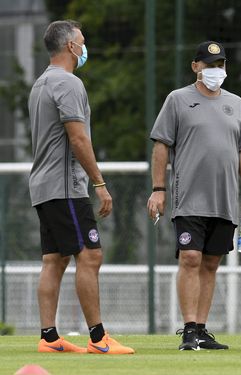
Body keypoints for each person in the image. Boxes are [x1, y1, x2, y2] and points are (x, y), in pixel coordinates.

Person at [28, 20, 134, 354]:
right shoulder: (69, 83)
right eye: (82, 42)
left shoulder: (40, 83)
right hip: (64, 187)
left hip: (42, 186)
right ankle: (98, 338)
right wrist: (99, 183)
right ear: (71, 46)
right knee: (90, 255)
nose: (85, 48)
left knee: (54, 259)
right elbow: (78, 137)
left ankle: (49, 338)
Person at [147, 40, 241, 351]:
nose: (215, 70)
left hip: (224, 200)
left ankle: (202, 329)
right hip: (188, 197)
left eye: (220, 65)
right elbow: (161, 146)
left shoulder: (237, 104)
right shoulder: (178, 100)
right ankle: (189, 328)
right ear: (196, 67)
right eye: (209, 65)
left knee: (211, 262)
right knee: (191, 258)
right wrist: (158, 189)